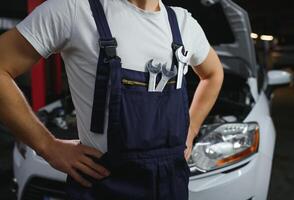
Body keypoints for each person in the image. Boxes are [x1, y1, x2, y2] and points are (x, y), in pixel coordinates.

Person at [0, 0, 223, 199]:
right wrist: (47, 146)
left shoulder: (184, 23)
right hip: (104, 185)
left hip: (172, 183)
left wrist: (192, 127)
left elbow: (213, 74)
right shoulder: (74, 9)